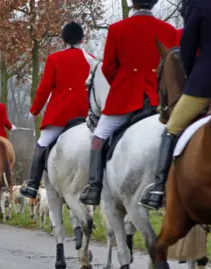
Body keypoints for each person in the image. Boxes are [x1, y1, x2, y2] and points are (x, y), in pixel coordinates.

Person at [139, 0, 211, 210]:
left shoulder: (199, 5)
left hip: (207, 80)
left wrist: (193, 75)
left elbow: (188, 46)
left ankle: (158, 188)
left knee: (172, 127)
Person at [78, 0, 178, 206]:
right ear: (154, 3)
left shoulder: (117, 29)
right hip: (159, 98)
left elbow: (108, 68)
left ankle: (94, 187)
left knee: (100, 135)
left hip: (126, 97)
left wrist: (123, 83)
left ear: (132, 3)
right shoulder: (169, 30)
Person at [20, 21, 93, 198]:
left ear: (63, 40)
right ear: (82, 39)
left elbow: (45, 88)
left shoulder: (54, 59)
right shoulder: (91, 59)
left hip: (61, 115)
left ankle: (33, 184)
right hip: (85, 114)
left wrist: (34, 111)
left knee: (42, 144)